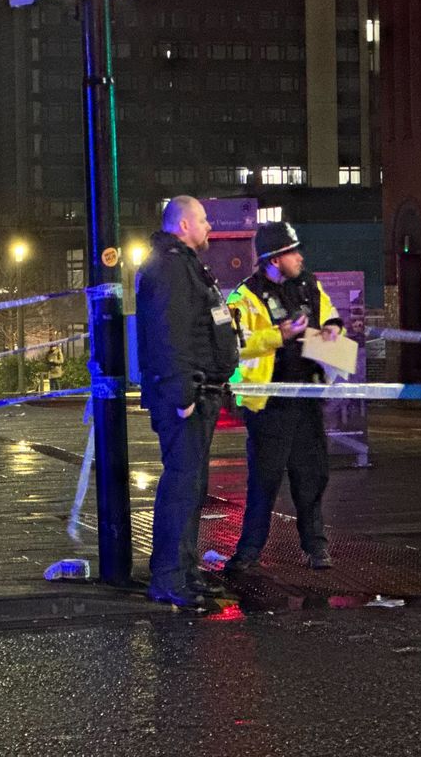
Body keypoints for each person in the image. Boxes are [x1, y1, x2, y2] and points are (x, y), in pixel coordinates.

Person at [136, 195, 240, 610]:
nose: (209, 227)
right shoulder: (171, 268)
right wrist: (183, 395)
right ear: (182, 225)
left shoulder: (183, 264)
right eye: (202, 220)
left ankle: (185, 569)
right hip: (187, 397)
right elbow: (170, 334)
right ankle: (169, 576)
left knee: (193, 485)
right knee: (181, 486)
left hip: (200, 391)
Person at [224, 222, 343, 573]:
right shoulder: (244, 297)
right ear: (274, 259)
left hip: (305, 398)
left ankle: (316, 548)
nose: (299, 256)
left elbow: (330, 316)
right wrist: (278, 335)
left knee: (312, 475)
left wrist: (334, 329)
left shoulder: (309, 284)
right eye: (292, 251)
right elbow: (236, 345)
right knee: (265, 479)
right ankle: (248, 553)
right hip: (268, 404)